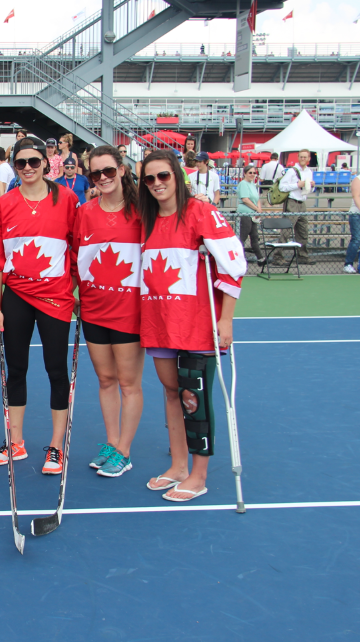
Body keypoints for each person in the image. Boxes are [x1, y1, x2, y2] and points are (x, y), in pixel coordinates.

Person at [136, 149, 246, 502]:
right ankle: (178, 465)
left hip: (198, 322)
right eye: (149, 178)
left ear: (178, 177)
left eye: (163, 176)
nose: (156, 184)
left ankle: (199, 474)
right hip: (160, 320)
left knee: (193, 397)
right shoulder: (147, 219)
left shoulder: (200, 212)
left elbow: (233, 264)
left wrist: (226, 319)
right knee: (171, 393)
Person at [0, 137, 78, 474]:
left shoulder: (67, 199)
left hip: (55, 298)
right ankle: (15, 441)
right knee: (16, 369)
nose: (27, 168)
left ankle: (56, 446)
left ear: (47, 161)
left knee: (57, 369)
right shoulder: (2, 204)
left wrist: (75, 288)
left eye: (34, 162)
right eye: (21, 163)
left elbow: (78, 246)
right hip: (17, 297)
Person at [73, 145, 144, 478]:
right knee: (106, 380)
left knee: (129, 383)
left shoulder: (142, 211)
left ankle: (125, 452)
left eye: (108, 171)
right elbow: (77, 258)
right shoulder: (85, 212)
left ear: (122, 170)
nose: (102, 178)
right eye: (96, 173)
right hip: (94, 310)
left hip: (129, 311)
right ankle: (112, 442)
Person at [276, 148, 315, 265]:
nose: (303, 159)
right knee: (286, 230)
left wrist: (312, 186)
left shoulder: (309, 171)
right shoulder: (292, 171)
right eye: (301, 157)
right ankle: (278, 256)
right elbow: (282, 187)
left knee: (303, 231)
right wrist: (297, 185)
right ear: (298, 158)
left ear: (309, 158)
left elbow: (309, 190)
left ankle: (302, 255)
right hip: (292, 202)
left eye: (305, 157)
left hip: (302, 202)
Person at [235, 165, 265, 264]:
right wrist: (256, 209)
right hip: (245, 213)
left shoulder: (253, 184)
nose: (252, 175)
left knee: (254, 236)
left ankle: (260, 258)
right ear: (245, 174)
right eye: (250, 173)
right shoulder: (243, 184)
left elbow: (257, 198)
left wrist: (259, 209)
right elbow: (245, 199)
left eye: (254, 173)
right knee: (243, 237)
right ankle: (238, 258)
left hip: (253, 214)